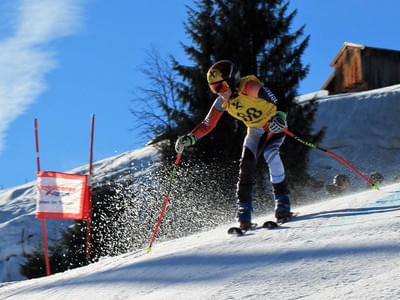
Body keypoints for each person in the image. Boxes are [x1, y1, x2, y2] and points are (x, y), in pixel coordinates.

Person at [175, 60, 291, 231]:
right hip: (255, 130)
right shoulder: (222, 101)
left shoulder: (249, 87)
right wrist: (189, 138)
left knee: (270, 154)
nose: (219, 92)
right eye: (214, 89)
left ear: (231, 80)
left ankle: (283, 203)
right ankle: (244, 213)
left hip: (273, 126)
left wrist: (280, 117)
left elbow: (280, 97)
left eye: (220, 87)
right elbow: (207, 124)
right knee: (246, 166)